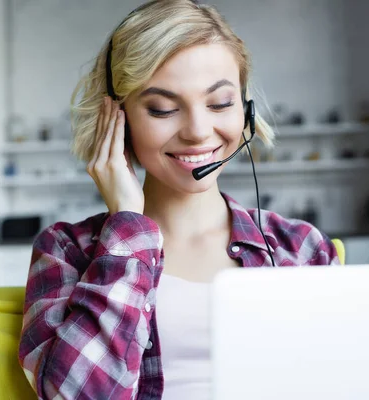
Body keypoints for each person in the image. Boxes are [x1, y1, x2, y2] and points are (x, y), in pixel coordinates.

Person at [18, 1, 340, 399]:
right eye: (163, 108)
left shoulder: (303, 248)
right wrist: (127, 228)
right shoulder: (65, 251)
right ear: (118, 119)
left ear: (246, 110)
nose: (198, 131)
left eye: (220, 103)